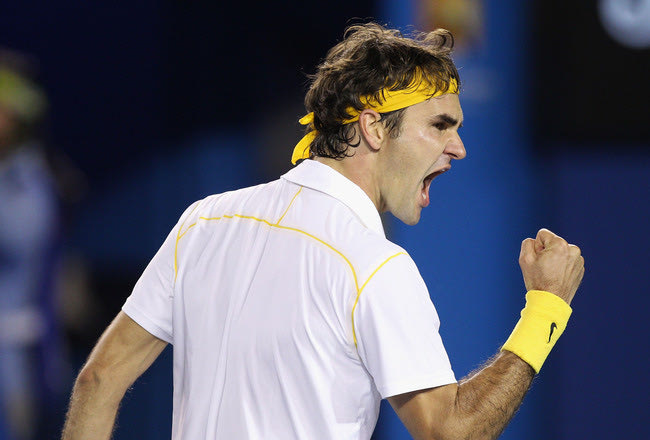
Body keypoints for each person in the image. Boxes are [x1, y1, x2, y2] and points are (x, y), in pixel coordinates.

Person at [61, 23, 584, 440]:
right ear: (374, 127)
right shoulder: (373, 267)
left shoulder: (204, 222)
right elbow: (451, 431)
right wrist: (546, 309)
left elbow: (98, 378)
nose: (458, 148)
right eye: (439, 125)